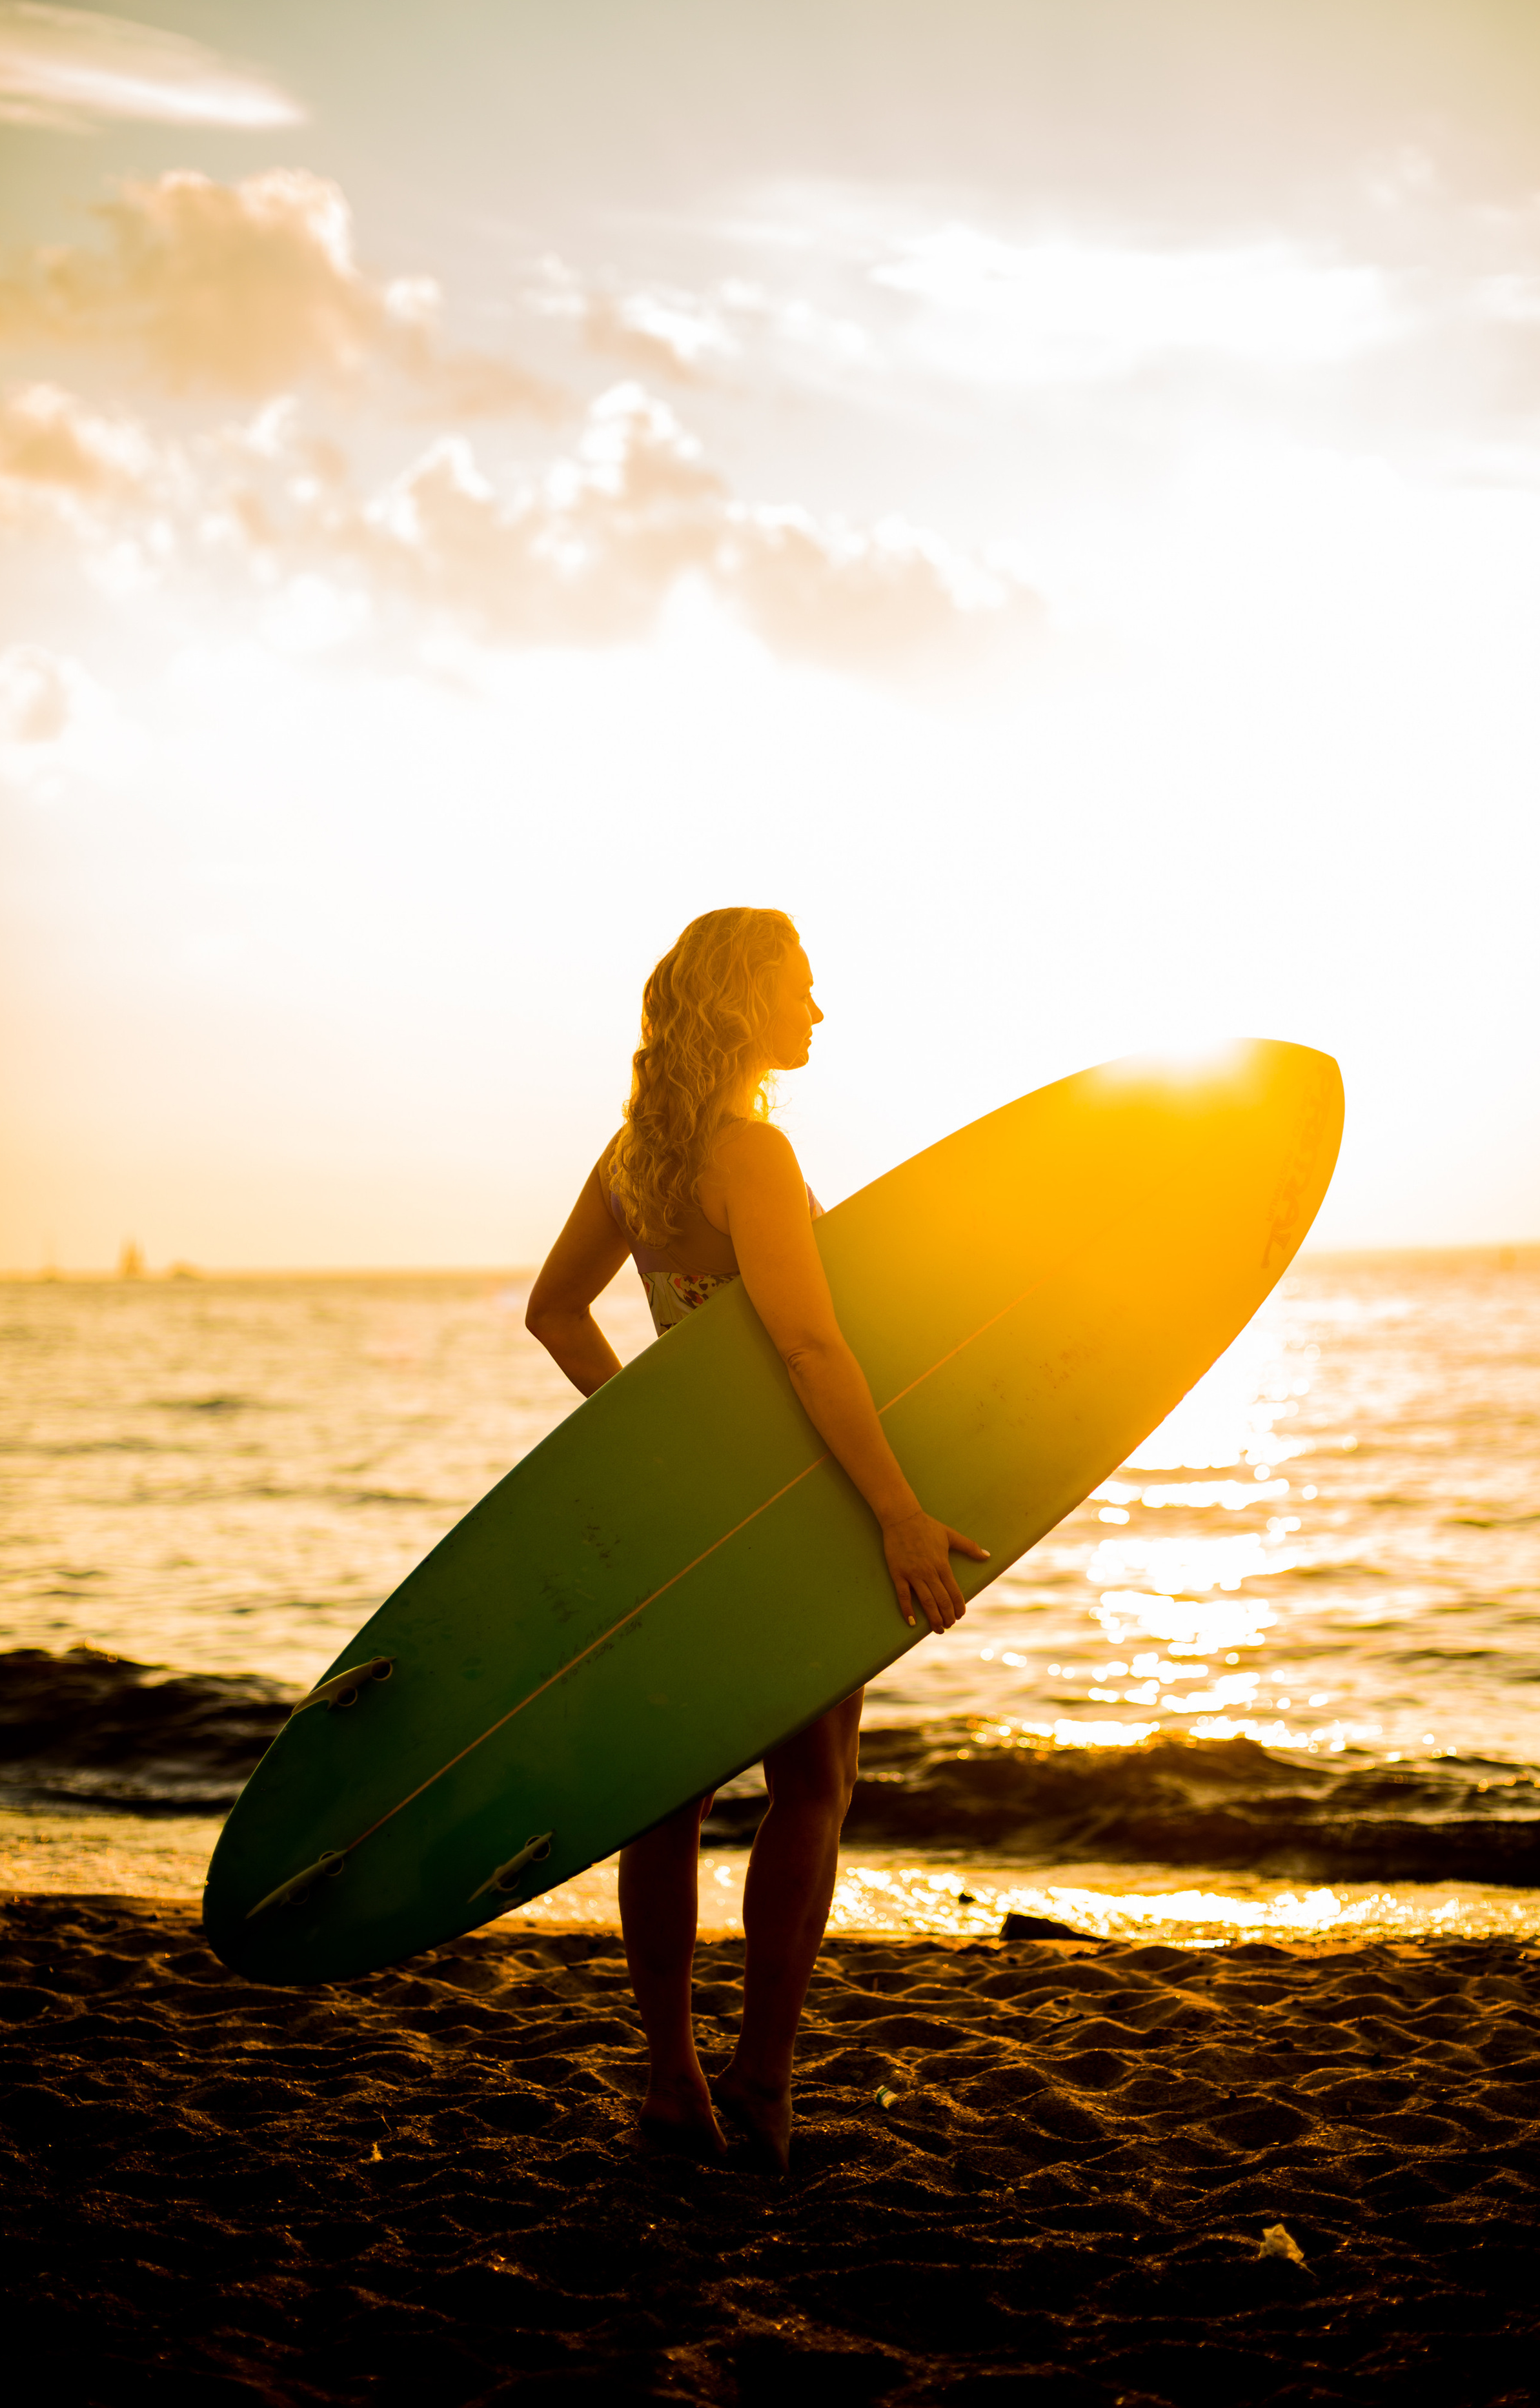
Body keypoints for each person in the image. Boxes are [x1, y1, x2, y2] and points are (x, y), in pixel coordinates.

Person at [525, 907, 988, 2172]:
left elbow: (553, 1313)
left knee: (663, 1802)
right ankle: (765, 2084)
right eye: (799, 987)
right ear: (743, 1005)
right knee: (815, 1784)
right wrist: (896, 1509)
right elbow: (807, 1345)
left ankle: (671, 2080)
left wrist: (646, 1427)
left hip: (677, 1511)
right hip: (787, 1507)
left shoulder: (635, 1156)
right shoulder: (753, 1157)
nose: (817, 1010)